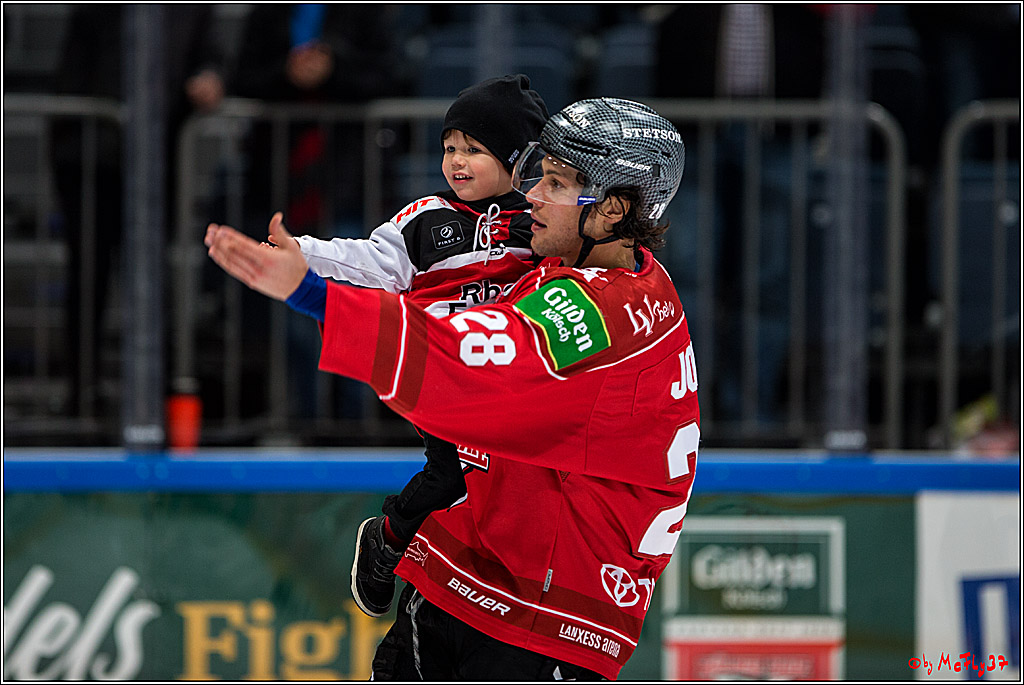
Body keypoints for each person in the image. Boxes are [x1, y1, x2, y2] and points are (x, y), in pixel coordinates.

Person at [205, 98, 698, 680]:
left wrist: (313, 294)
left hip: (541, 621)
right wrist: (318, 260)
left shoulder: (604, 313)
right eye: (539, 174)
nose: (533, 194)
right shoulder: (589, 264)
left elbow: (462, 362)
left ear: (612, 209)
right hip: (463, 571)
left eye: (558, 183)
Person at [291, 73, 549, 619]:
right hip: (440, 371)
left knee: (506, 487)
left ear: (518, 160)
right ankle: (387, 539)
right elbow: (365, 263)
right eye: (449, 148)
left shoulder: (543, 225)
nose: (456, 161)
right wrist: (298, 253)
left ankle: (479, 586)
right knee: (454, 472)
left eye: (473, 150)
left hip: (509, 382)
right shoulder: (425, 218)